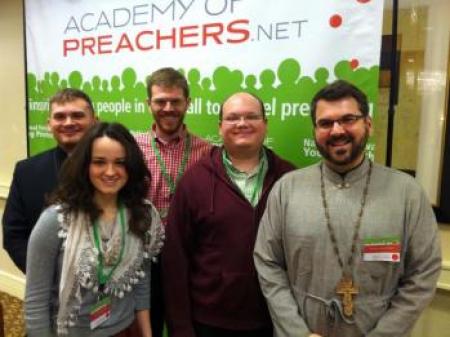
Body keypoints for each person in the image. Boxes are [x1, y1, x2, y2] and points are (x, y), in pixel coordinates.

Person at [253, 80, 442, 337]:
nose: (337, 130)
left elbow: (423, 273)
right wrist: (298, 332)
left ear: (368, 123)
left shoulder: (407, 193)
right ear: (315, 130)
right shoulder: (287, 189)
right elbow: (267, 261)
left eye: (348, 119)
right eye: (325, 123)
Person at [162, 92, 295, 337]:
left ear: (265, 124)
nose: (242, 123)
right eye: (233, 118)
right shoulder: (194, 180)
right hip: (209, 322)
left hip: (274, 319)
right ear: (220, 127)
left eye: (251, 116)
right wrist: (180, 328)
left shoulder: (289, 178)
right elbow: (175, 259)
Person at [25, 122, 164, 337]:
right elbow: (35, 303)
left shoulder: (142, 215)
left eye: (120, 163)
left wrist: (147, 334)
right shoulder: (56, 220)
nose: (110, 172)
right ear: (85, 166)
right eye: (99, 162)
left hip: (126, 330)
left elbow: (141, 283)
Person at [135, 67, 212, 337]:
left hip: (191, 259)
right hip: (144, 259)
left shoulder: (208, 153)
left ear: (188, 103)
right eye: (160, 101)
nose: (168, 108)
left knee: (188, 327)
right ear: (148, 104)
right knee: (148, 327)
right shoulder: (132, 148)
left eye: (176, 101)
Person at [2, 88, 97, 273]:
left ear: (94, 121)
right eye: (60, 117)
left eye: (77, 115)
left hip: (106, 287)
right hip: (49, 289)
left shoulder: (115, 170)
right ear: (49, 124)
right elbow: (14, 235)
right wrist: (45, 277)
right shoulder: (26, 171)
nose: (68, 123)